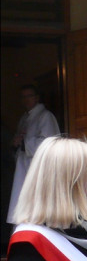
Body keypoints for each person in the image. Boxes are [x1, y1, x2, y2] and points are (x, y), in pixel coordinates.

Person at [6, 84, 60, 225]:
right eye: (23, 97)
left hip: (39, 169)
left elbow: (50, 142)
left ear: (37, 97)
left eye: (29, 96)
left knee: (38, 207)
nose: (26, 100)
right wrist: (16, 144)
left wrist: (24, 143)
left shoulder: (45, 116)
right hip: (23, 167)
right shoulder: (25, 118)